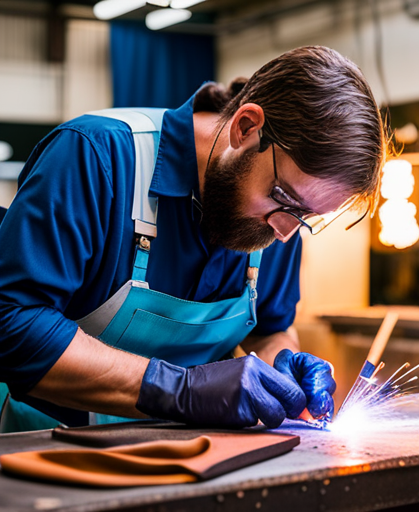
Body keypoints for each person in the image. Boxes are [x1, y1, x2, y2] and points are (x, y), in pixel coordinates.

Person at [0, 46, 385, 433]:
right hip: (43, 448)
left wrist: (280, 368)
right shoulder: (96, 155)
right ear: (246, 127)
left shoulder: (280, 222)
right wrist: (180, 389)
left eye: (307, 217)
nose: (285, 232)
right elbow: (12, 324)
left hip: (188, 458)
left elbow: (270, 328)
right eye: (283, 198)